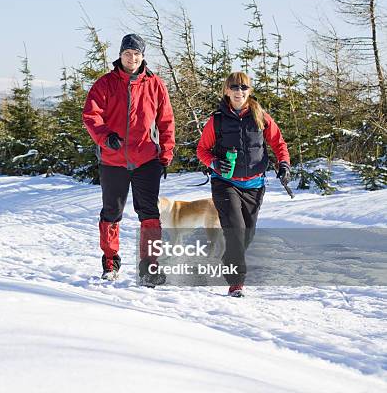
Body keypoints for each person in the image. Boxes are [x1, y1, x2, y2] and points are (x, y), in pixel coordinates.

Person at [82, 34, 175, 286]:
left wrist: (166, 152)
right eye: (127, 54)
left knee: (149, 214)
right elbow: (91, 115)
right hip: (113, 161)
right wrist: (104, 137)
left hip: (146, 160)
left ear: (142, 57)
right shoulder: (106, 83)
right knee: (112, 213)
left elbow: (166, 121)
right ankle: (110, 262)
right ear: (120, 55)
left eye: (136, 54)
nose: (131, 58)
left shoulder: (155, 84)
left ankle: (149, 267)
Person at [197, 71, 290, 297]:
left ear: (250, 91)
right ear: (226, 91)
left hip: (255, 185)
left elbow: (279, 143)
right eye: (235, 88)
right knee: (236, 231)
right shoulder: (217, 120)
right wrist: (216, 164)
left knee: (246, 235)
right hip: (225, 183)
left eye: (244, 88)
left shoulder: (261, 116)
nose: (239, 92)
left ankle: (230, 258)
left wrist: (284, 165)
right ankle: (236, 283)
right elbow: (202, 150)